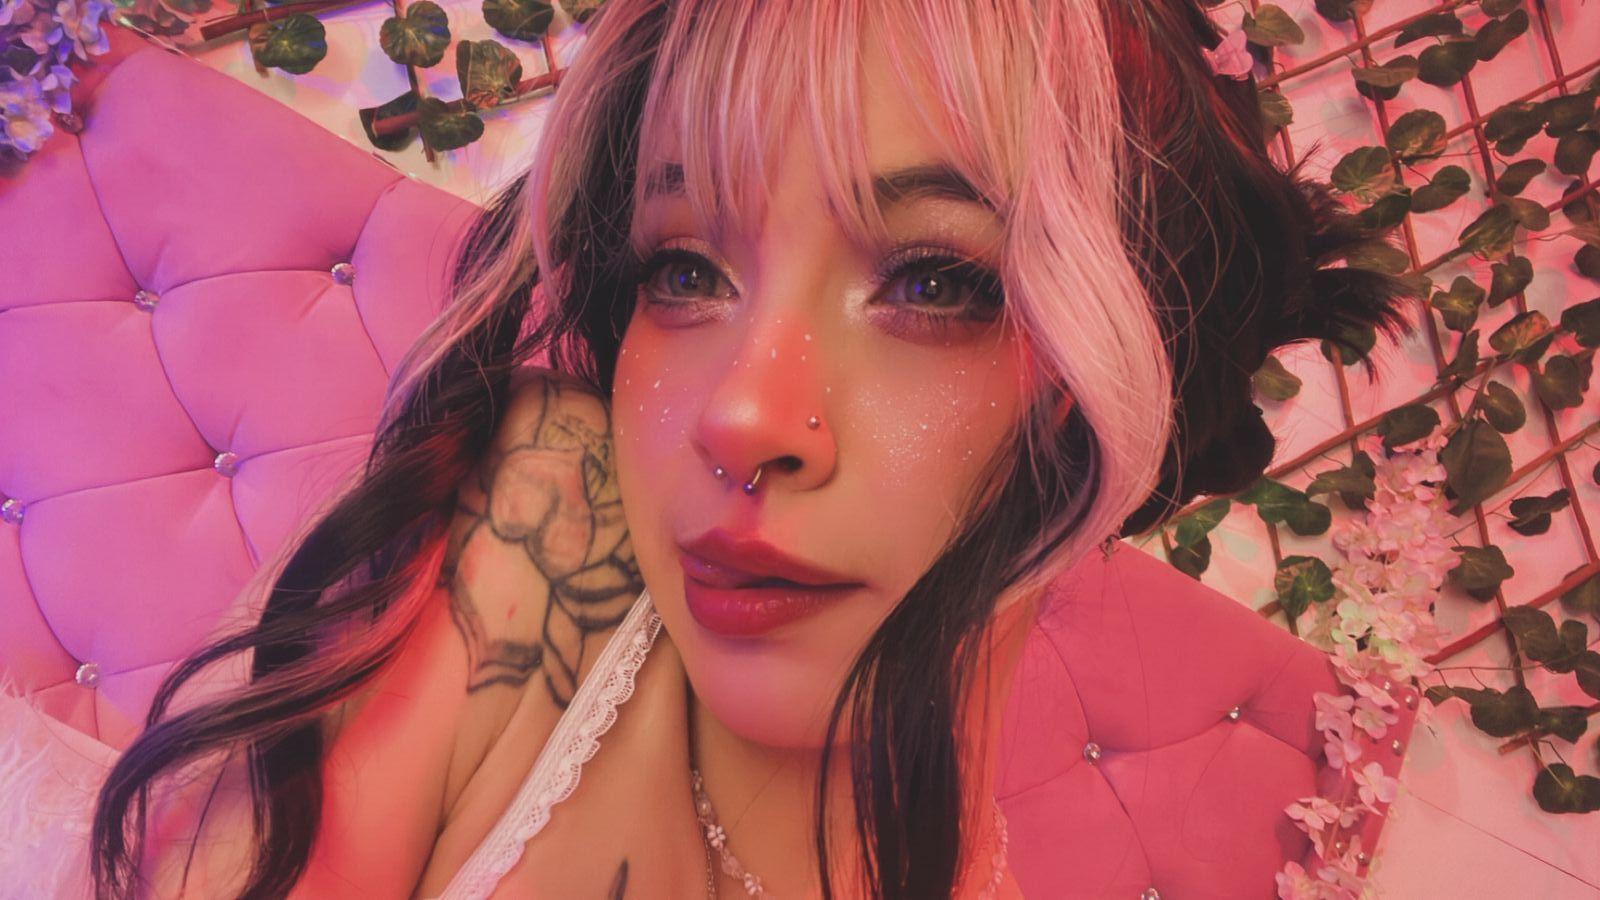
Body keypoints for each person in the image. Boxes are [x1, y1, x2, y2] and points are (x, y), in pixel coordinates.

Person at [67, 0, 1415, 897]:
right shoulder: (552, 502)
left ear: (1122, 373)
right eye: (686, 270)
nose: (740, 416)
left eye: (937, 281)